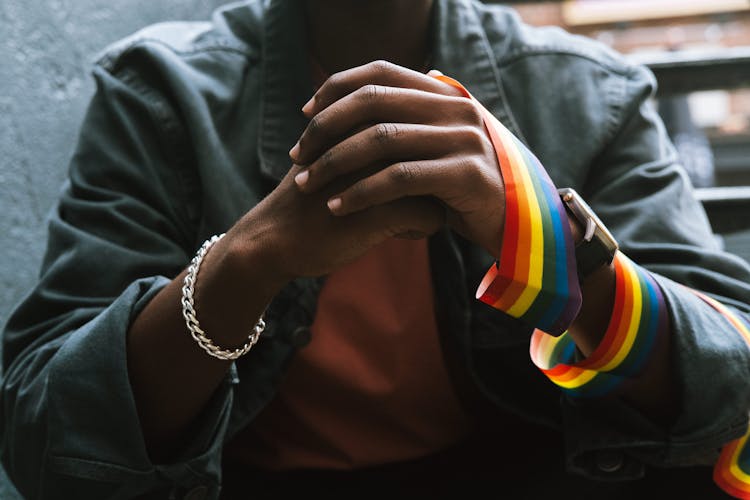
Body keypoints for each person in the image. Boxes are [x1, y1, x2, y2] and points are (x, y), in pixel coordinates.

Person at [2, 0, 750, 498]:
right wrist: (248, 257)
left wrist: (535, 229)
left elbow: (734, 382)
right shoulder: (159, 91)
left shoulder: (592, 92)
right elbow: (48, 440)